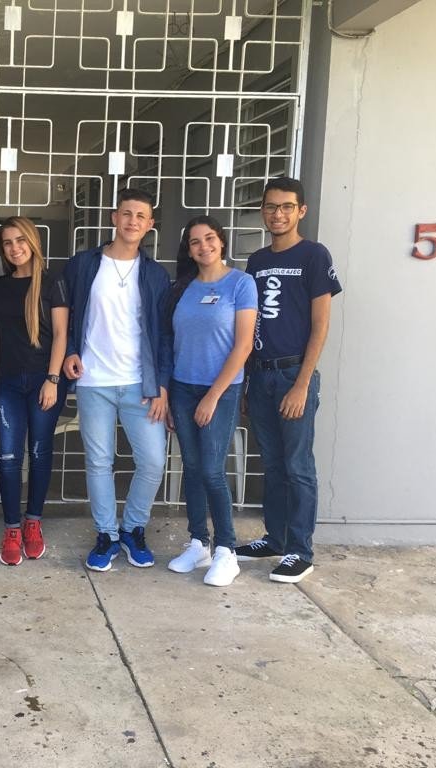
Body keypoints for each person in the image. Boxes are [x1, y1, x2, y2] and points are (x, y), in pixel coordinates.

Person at [234, 177, 342, 583]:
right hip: (261, 376)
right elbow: (250, 325)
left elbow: (320, 325)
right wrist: (248, 382)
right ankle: (275, 539)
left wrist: (301, 384)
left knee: (298, 467)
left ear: (301, 211)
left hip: (294, 375)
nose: (277, 214)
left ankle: (300, 550)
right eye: (270, 206)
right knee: (273, 465)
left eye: (286, 207)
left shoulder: (314, 255)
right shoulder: (257, 261)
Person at [62, 189, 171, 572]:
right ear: (114, 217)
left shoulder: (155, 274)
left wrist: (162, 385)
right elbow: (66, 314)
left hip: (140, 383)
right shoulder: (84, 264)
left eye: (141, 216)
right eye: (127, 213)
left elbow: (164, 335)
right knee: (98, 461)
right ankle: (106, 535)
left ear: (150, 224)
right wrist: (70, 351)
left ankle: (133, 529)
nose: (132, 221)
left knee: (153, 461)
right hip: (94, 381)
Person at [165, 216, 257, 587]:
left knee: (211, 470)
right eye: (195, 242)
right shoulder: (182, 288)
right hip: (183, 387)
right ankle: (198, 543)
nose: (203, 246)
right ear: (188, 250)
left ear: (221, 241)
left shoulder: (241, 283)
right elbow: (171, 342)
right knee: (191, 466)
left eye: (209, 238)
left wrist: (213, 395)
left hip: (220, 389)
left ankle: (226, 550)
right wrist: (169, 393)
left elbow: (243, 345)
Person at [0, 216, 69, 566]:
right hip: (8, 382)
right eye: (7, 243)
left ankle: (33, 522)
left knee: (39, 451)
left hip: (43, 381)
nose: (15, 248)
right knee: (8, 456)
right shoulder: (0, 286)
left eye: (20, 240)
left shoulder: (53, 282)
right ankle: (11, 527)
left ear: (33, 242)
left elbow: (62, 334)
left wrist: (53, 379)